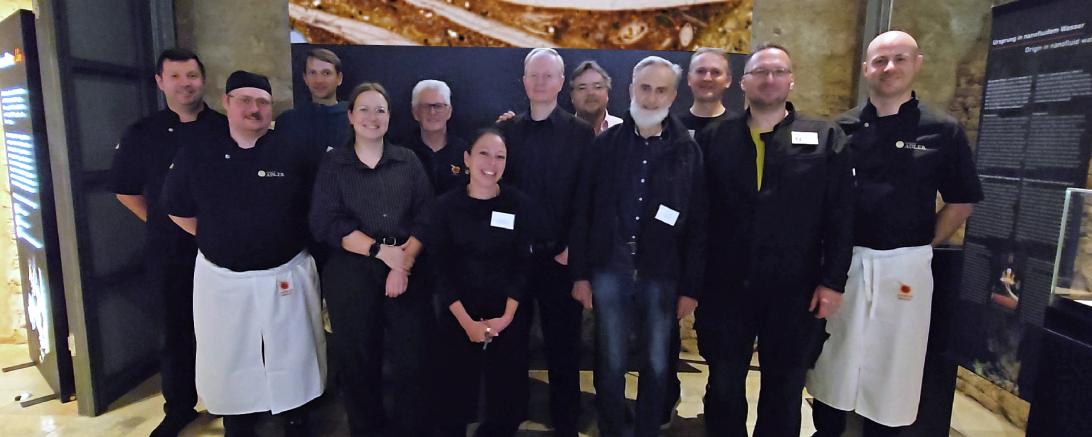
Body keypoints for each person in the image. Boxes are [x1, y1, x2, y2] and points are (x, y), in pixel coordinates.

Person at [807, 30, 983, 437]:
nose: (889, 68)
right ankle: (827, 430)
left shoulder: (943, 131)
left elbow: (961, 200)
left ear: (916, 64)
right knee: (835, 355)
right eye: (880, 61)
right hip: (845, 265)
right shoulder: (840, 129)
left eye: (899, 59)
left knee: (894, 363)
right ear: (867, 68)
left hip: (906, 266)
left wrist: (923, 244)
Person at [695, 43, 853, 437]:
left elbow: (840, 216)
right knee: (725, 383)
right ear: (744, 82)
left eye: (778, 71)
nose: (769, 79)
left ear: (791, 80)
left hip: (794, 287)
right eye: (760, 72)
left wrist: (833, 281)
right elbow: (699, 217)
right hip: (726, 286)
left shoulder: (824, 137)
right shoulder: (714, 138)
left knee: (784, 387)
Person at [163, 71, 325, 437]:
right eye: (245, 101)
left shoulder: (295, 151)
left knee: (294, 351)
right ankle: (237, 417)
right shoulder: (198, 152)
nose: (255, 109)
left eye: (263, 102)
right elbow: (175, 207)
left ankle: (296, 416)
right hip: (223, 279)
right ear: (227, 103)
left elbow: (316, 208)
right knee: (228, 353)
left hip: (286, 272)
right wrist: (218, 238)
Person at [569, 56, 707, 437]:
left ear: (673, 95)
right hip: (609, 269)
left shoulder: (687, 150)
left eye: (661, 89)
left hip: (661, 274)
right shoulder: (606, 145)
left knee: (658, 362)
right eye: (644, 87)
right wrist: (580, 274)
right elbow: (584, 211)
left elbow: (698, 223)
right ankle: (613, 428)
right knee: (610, 360)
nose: (651, 97)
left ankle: (647, 428)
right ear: (631, 90)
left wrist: (691, 287)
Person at [109, 48, 226, 437]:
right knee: (174, 330)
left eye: (191, 75)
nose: (184, 84)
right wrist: (163, 223)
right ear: (160, 82)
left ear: (203, 79)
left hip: (222, 248)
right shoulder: (142, 133)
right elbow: (126, 191)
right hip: (167, 250)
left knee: (229, 327)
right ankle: (179, 406)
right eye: (174, 77)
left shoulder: (226, 127)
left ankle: (234, 402)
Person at [309, 82, 434, 437]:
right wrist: (380, 252)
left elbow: (427, 214)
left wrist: (403, 262)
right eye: (364, 109)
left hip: (407, 265)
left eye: (380, 110)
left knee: (412, 359)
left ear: (390, 118)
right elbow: (325, 221)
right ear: (350, 117)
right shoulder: (334, 163)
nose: (372, 117)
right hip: (352, 269)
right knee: (358, 360)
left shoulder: (407, 160)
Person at [411, 128, 545, 437]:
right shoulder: (444, 207)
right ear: (467, 159)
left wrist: (507, 317)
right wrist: (467, 321)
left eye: (500, 156)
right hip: (459, 311)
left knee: (506, 396)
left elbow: (524, 264)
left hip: (507, 312)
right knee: (453, 395)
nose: (492, 162)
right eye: (484, 153)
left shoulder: (519, 204)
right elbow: (440, 268)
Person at [496, 47, 596, 437]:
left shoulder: (580, 133)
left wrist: (574, 248)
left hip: (560, 257)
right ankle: (509, 416)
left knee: (564, 347)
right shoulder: (505, 132)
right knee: (511, 344)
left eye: (548, 75)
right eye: (533, 75)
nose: (540, 82)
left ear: (560, 82)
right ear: (524, 81)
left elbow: (586, 197)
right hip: (515, 259)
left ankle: (567, 421)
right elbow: (497, 192)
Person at [275, 48, 351, 154]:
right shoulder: (287, 122)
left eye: (326, 73)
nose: (319, 80)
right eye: (312, 73)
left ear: (339, 78)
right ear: (305, 78)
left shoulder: (356, 119)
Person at [404, 79, 470, 194]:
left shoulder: (466, 152)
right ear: (415, 112)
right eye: (425, 106)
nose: (432, 112)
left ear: (449, 111)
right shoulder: (401, 154)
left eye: (438, 106)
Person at [678, 47, 733, 138]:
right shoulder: (671, 128)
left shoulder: (742, 129)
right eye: (700, 71)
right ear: (689, 79)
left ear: (728, 81)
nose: (707, 78)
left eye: (715, 72)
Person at [569, 60, 622, 135]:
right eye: (582, 88)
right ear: (572, 96)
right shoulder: (560, 132)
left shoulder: (623, 130)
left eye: (597, 87)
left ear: (607, 93)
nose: (591, 93)